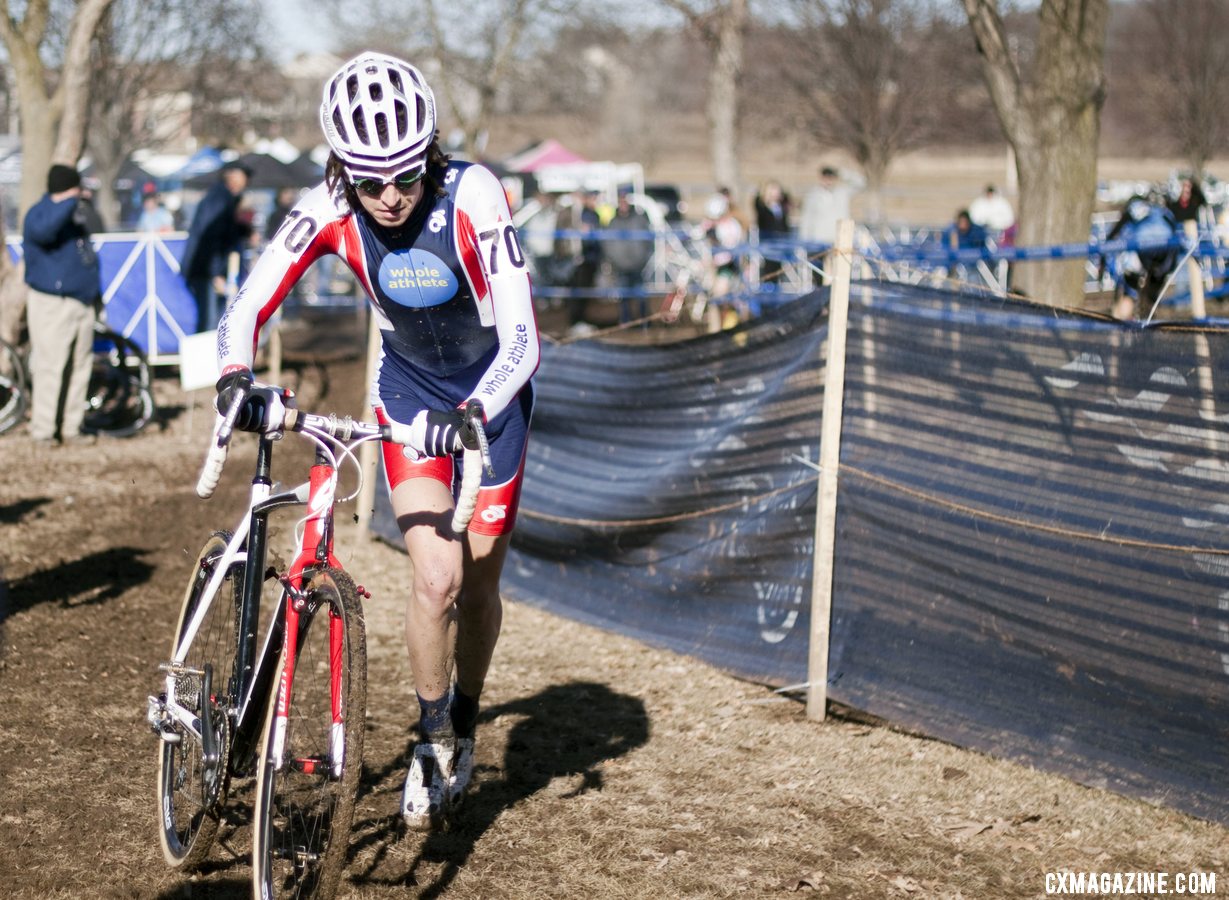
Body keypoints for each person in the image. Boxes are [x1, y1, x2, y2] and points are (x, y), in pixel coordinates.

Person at [213, 51, 540, 831]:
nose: (388, 198)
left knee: (482, 585)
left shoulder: (474, 193)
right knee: (436, 580)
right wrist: (232, 373)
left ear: (428, 156)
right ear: (342, 172)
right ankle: (431, 740)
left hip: (490, 399)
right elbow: (248, 301)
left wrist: (477, 408)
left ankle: (464, 713)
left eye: (403, 176)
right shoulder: (326, 204)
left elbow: (523, 334)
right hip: (408, 400)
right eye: (368, 182)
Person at [21, 164, 102, 446]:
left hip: (81, 302)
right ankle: (43, 430)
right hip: (51, 304)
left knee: (80, 368)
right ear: (68, 188)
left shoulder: (73, 216)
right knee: (50, 368)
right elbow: (44, 232)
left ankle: (72, 427)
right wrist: (70, 200)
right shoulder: (40, 213)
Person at [180, 160, 252, 333]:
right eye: (243, 176)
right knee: (210, 323)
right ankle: (206, 360)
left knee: (214, 321)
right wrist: (215, 274)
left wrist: (243, 230)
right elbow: (210, 238)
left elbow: (225, 234)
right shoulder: (218, 199)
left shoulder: (223, 199)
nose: (246, 182)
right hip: (207, 272)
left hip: (209, 270)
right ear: (232, 176)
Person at [1102, 194, 1180, 320]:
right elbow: (1176, 236)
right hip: (1164, 252)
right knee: (1152, 289)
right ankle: (1148, 313)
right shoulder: (1164, 213)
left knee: (1130, 289)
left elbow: (1115, 233)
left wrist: (1105, 254)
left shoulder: (1136, 209)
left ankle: (1123, 319)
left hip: (1141, 249)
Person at [603, 191, 654, 325]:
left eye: (625, 201)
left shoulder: (639, 219)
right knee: (624, 296)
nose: (623, 204)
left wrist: (645, 259)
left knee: (641, 295)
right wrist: (614, 261)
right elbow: (607, 244)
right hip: (621, 266)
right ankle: (626, 321)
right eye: (621, 201)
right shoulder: (613, 223)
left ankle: (644, 321)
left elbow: (649, 241)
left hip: (639, 265)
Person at [798, 165, 858, 247]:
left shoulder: (842, 192)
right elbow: (806, 219)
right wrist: (805, 241)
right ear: (821, 178)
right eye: (825, 178)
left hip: (840, 240)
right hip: (819, 242)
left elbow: (861, 183)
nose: (828, 181)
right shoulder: (812, 196)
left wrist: (842, 173)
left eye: (831, 178)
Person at [753, 179, 791, 285]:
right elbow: (757, 203)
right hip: (768, 243)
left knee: (778, 270)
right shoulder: (763, 207)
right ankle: (767, 289)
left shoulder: (781, 208)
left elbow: (788, 199)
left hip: (781, 243)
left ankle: (775, 286)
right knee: (768, 269)